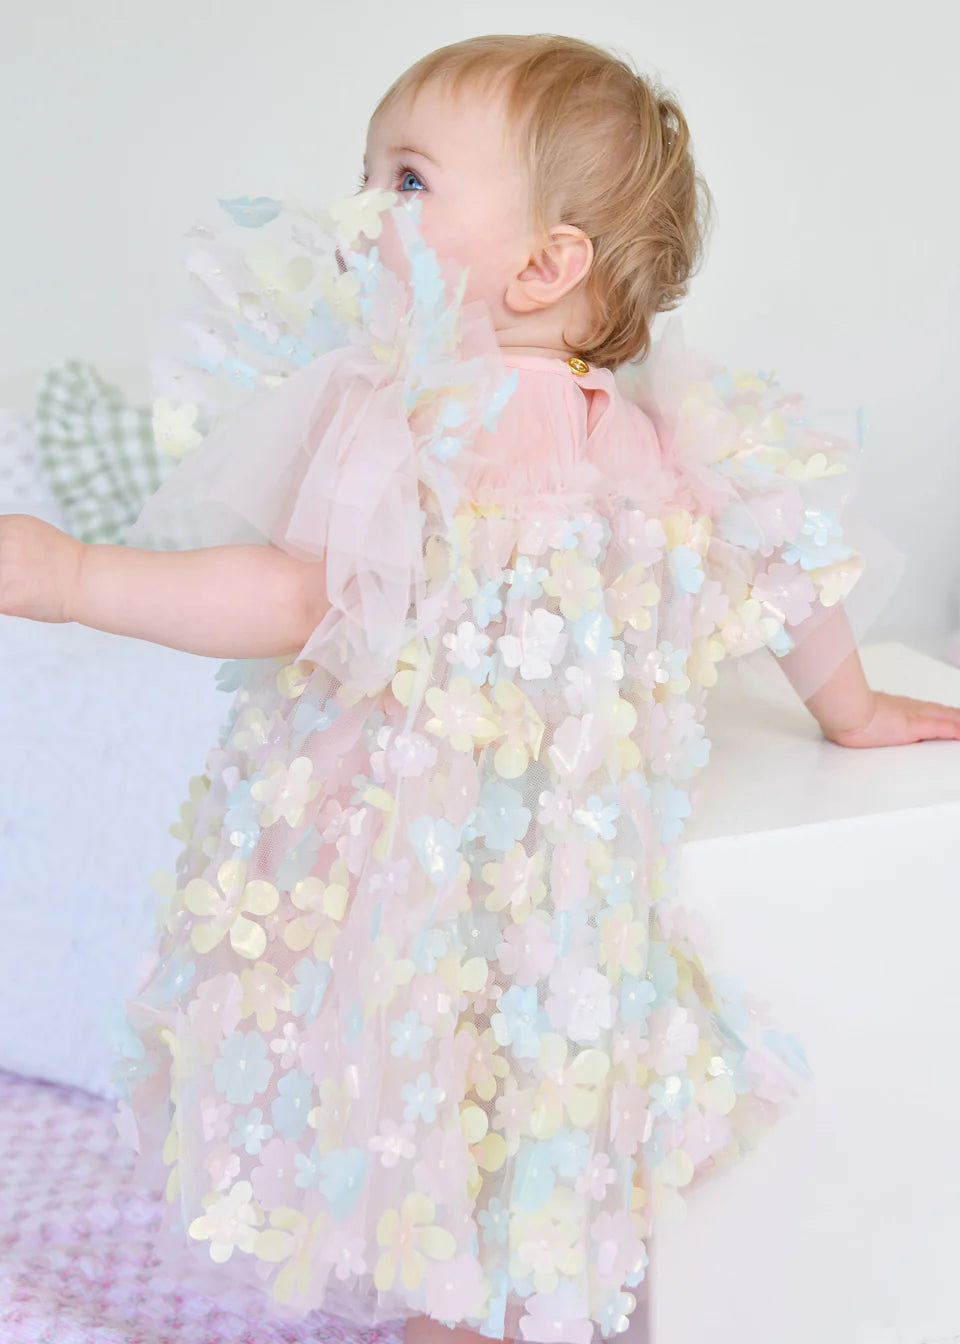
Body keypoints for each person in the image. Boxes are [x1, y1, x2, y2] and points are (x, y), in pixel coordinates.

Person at [2, 31, 958, 1344]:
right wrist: (848, 708)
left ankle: (471, 1312)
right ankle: (472, 1313)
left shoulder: (456, 417)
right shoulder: (617, 429)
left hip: (472, 861)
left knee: (466, 1096)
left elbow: (294, 594)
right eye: (368, 174)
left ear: (544, 264)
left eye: (406, 181)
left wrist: (79, 579)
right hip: (515, 866)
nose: (363, 209)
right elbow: (783, 567)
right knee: (502, 1102)